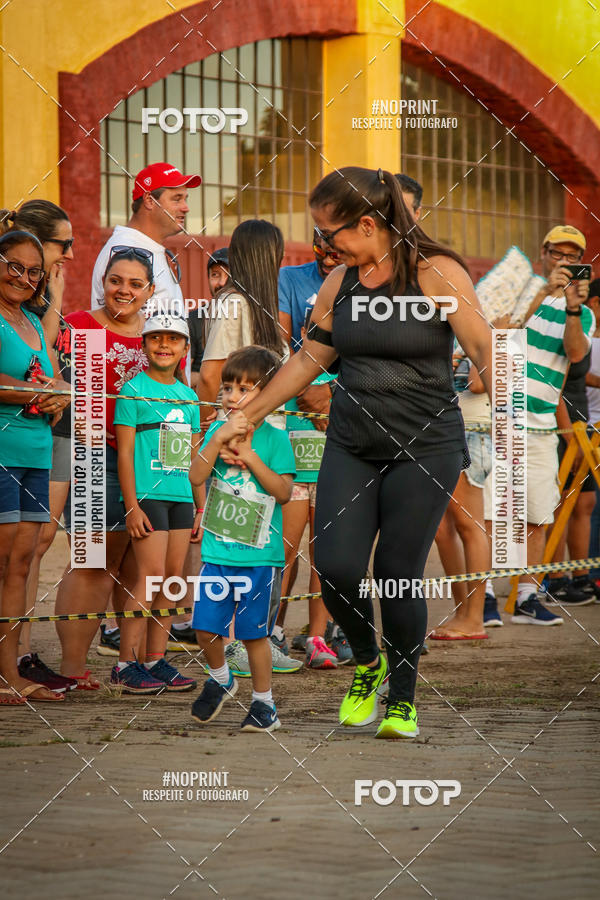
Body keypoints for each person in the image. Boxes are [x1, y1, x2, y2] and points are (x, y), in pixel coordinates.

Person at [224, 166, 493, 739]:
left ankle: (401, 695)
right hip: (351, 441)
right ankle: (367, 661)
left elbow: (483, 348)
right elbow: (306, 361)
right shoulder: (340, 283)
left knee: (397, 573)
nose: (324, 246)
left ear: (368, 224)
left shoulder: (435, 274)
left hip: (426, 445)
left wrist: (501, 388)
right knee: (339, 566)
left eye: (330, 234)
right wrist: (245, 415)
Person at [484, 225, 594, 624]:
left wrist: (570, 307)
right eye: (557, 254)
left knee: (537, 513)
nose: (564, 262)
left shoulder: (582, 312)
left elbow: (577, 353)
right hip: (497, 413)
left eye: (572, 257)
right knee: (491, 512)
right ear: (543, 253)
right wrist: (545, 291)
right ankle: (483, 595)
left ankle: (527, 596)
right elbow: (504, 327)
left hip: (542, 421)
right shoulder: (523, 286)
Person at [55, 247, 154, 687]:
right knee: (93, 562)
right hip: (94, 457)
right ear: (103, 282)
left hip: (150, 463)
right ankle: (72, 669)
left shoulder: (160, 336)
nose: (124, 290)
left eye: (135, 283)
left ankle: (129, 666)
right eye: (116, 280)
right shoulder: (79, 326)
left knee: (136, 566)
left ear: (150, 291)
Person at [189, 346, 296, 732]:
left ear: (266, 395)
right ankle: (221, 678)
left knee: (254, 637)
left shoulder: (275, 439)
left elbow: (283, 493)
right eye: (228, 388)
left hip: (260, 559)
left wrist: (250, 457)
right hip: (218, 553)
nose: (233, 397)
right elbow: (196, 477)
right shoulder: (216, 434)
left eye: (245, 389)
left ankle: (264, 705)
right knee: (204, 629)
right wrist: (217, 441)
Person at [0, 202, 76, 689]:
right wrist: (37, 392)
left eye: (33, 272)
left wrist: (57, 396)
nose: (24, 278)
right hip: (4, 454)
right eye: (13, 268)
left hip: (35, 452)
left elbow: (52, 381)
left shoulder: (31, 321)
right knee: (4, 562)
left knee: (22, 564)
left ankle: (10, 672)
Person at [112, 314, 200, 693]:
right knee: (148, 577)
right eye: (156, 339)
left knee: (172, 578)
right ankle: (124, 663)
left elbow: (195, 458)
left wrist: (200, 508)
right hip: (149, 497)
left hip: (182, 498)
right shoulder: (132, 391)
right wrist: (131, 505)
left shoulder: (192, 398)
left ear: (184, 348)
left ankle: (155, 659)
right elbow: (125, 453)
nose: (164, 345)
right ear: (144, 345)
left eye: (173, 340)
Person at [276, 307, 351, 667]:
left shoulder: (344, 378)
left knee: (324, 560)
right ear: (304, 330)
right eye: (315, 329)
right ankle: (270, 631)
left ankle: (317, 638)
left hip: (329, 478)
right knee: (283, 556)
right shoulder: (288, 369)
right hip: (292, 480)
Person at [431, 353, 491, 639]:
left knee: (469, 525)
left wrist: (453, 362)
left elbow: (479, 385)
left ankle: (475, 618)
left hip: (470, 429)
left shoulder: (485, 326)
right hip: (439, 429)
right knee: (442, 530)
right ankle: (462, 611)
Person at [91, 162, 201, 314]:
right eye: (177, 199)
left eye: (185, 199)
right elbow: (122, 327)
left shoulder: (142, 246)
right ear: (149, 200)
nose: (186, 207)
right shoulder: (126, 251)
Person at [189, 247, 229, 390]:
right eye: (215, 275)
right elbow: (183, 376)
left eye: (229, 276)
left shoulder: (251, 318)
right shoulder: (193, 319)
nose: (222, 283)